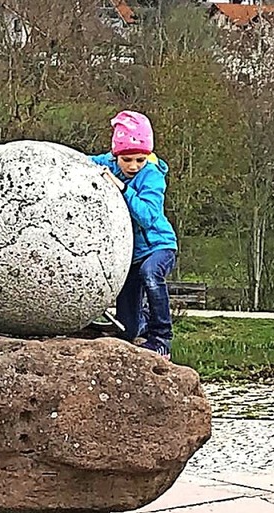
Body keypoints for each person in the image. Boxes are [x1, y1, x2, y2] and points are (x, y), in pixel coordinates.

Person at [90, 110, 177, 359]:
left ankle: (161, 338)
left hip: (158, 247)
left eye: (140, 159)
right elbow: (82, 161)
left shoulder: (152, 176)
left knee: (151, 274)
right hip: (130, 255)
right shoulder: (108, 163)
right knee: (126, 331)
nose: (133, 166)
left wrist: (123, 189)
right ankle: (140, 322)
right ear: (116, 155)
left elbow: (148, 215)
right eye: (126, 159)